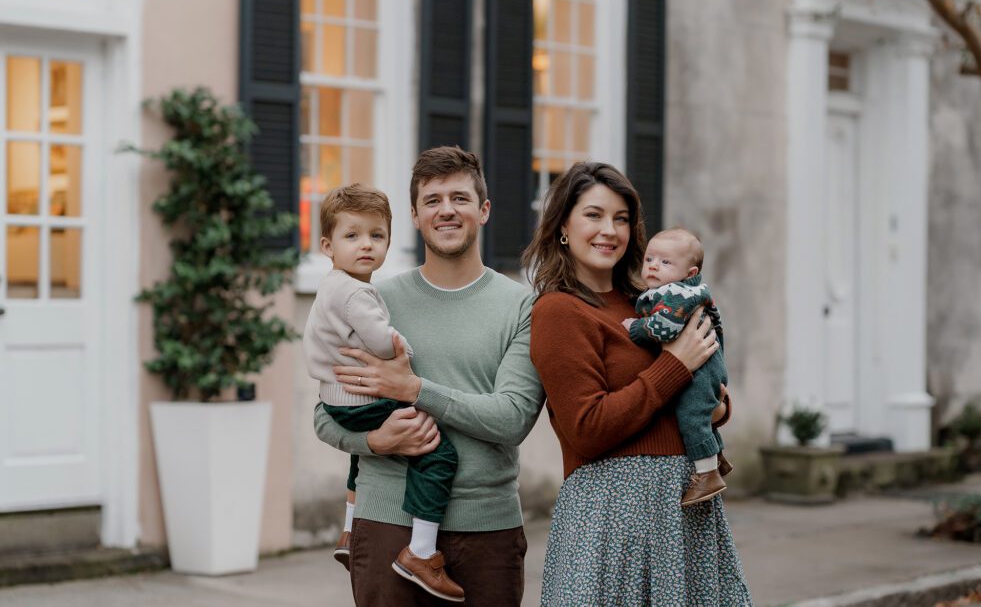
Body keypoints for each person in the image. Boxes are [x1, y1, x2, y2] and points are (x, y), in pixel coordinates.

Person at [312, 146, 545, 606]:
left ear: (484, 210)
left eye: (459, 198)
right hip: (386, 522)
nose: (447, 211)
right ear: (415, 216)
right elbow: (325, 414)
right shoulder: (373, 301)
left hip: (488, 528)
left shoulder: (521, 305)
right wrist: (376, 442)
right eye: (432, 200)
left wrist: (414, 389)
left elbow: (513, 419)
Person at [523, 162, 753, 605]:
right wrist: (674, 366)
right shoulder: (559, 312)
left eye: (621, 218)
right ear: (564, 227)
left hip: (686, 513)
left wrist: (718, 409)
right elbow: (587, 430)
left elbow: (704, 385)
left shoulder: (652, 305)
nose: (610, 230)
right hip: (613, 517)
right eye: (594, 215)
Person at [303, 184, 464, 601]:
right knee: (437, 453)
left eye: (377, 236)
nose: (366, 246)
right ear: (327, 244)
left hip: (338, 400)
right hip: (359, 401)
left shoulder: (332, 285)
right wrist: (405, 349)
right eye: (352, 236)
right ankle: (423, 552)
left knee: (362, 454)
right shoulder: (357, 292)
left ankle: (349, 527)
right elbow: (382, 344)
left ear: (390, 242)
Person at [621, 227, 733, 506]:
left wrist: (635, 328)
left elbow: (665, 329)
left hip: (702, 368)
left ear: (690, 271)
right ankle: (717, 459)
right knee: (697, 412)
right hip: (702, 363)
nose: (654, 266)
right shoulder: (666, 291)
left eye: (666, 262)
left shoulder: (678, 294)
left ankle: (707, 476)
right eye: (650, 259)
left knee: (692, 415)